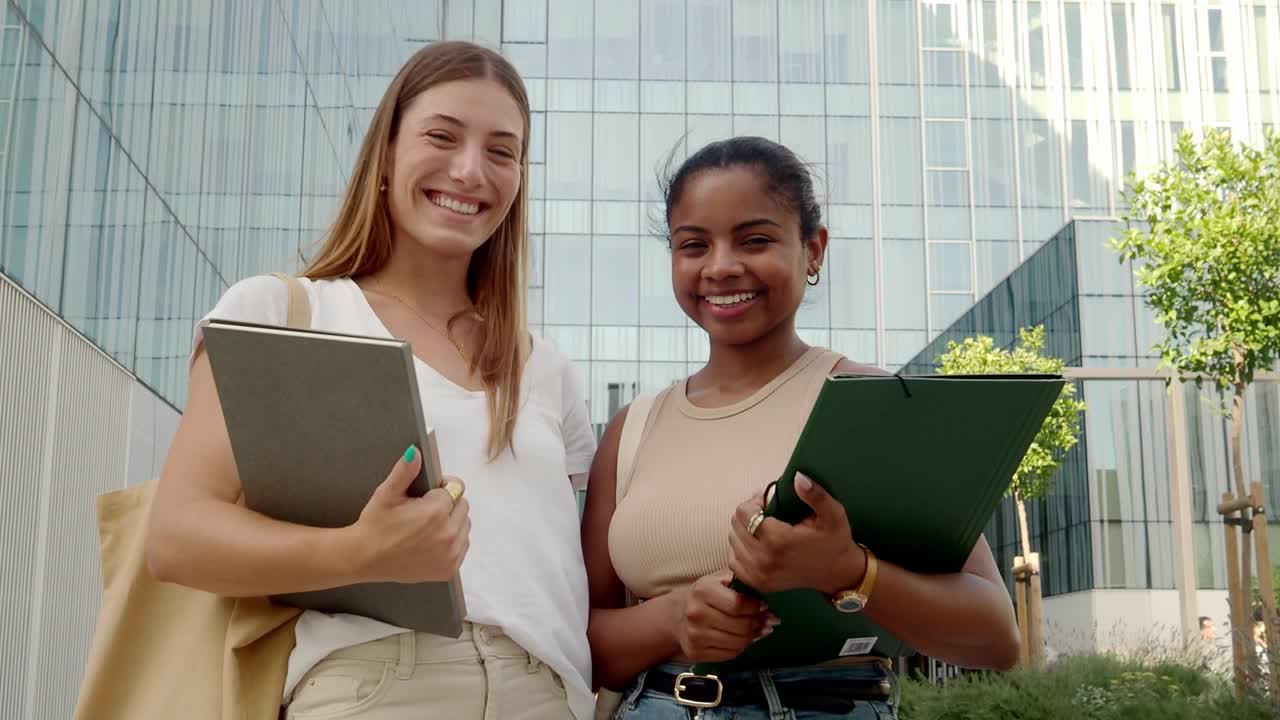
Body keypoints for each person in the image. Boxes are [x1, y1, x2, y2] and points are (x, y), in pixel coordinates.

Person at [146, 41, 597, 719]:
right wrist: (359, 552)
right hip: (382, 685)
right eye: (441, 137)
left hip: (547, 695)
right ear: (385, 153)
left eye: (502, 152)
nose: (471, 170)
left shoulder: (546, 369)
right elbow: (176, 538)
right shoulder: (284, 313)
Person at [581, 136, 1021, 719]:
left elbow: (996, 637)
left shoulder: (873, 406)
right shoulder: (630, 430)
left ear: (813, 250)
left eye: (755, 239)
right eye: (694, 245)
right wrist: (674, 618)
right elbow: (581, 643)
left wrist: (849, 572)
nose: (721, 266)